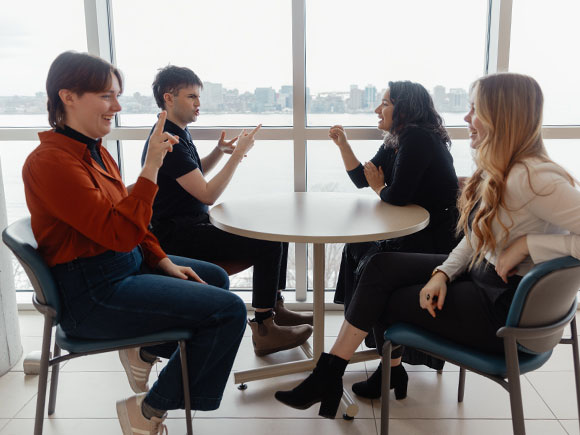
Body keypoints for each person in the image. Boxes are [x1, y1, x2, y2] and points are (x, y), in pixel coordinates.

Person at [274, 72, 580, 418]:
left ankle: (332, 377)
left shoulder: (535, 177)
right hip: (483, 275)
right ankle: (329, 375)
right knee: (378, 266)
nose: (465, 119)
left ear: (502, 116)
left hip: (500, 309)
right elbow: (475, 240)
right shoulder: (507, 170)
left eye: (474, 110)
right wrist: (442, 274)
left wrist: (529, 244)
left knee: (380, 292)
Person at [23, 51, 248, 435]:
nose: (117, 106)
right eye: (107, 96)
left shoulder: (95, 150)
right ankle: (147, 410)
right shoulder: (50, 163)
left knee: (214, 279)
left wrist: (162, 261)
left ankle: (146, 350)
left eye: (117, 95)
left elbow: (132, 220)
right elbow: (120, 232)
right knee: (228, 312)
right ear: (69, 96)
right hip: (92, 293)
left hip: (121, 264)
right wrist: (152, 168)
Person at [141, 65, 312, 357]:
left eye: (199, 97)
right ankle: (264, 328)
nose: (198, 103)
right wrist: (239, 155)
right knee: (269, 242)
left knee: (275, 230)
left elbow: (193, 176)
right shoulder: (168, 141)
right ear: (169, 98)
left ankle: (273, 307)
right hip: (178, 235)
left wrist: (220, 152)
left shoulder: (177, 133)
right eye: (191, 96)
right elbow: (207, 193)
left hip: (190, 225)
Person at [330, 81, 459, 398]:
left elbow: (395, 196)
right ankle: (390, 362)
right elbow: (364, 178)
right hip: (414, 230)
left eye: (384, 103)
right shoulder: (397, 139)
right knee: (357, 248)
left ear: (404, 108)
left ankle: (389, 363)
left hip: (435, 239)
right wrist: (343, 144)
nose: (377, 109)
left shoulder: (417, 137)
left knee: (375, 264)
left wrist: (379, 189)